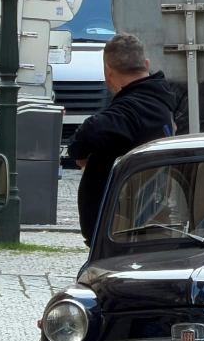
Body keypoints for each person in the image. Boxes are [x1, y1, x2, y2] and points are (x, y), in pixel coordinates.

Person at [66, 34, 178, 244]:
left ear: (108, 71)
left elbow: (91, 129)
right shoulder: (158, 101)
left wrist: (79, 154)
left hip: (122, 232)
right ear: (146, 64)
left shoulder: (131, 109)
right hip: (139, 224)